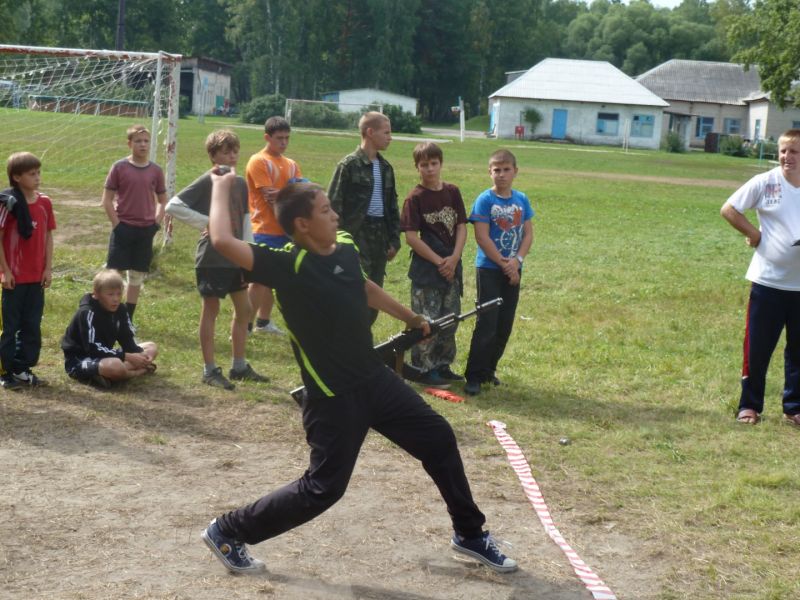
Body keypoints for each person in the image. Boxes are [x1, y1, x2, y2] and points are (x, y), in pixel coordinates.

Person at [200, 172, 518, 575]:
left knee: (438, 438)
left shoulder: (345, 246)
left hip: (374, 379)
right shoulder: (286, 265)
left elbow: (363, 286)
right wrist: (221, 187)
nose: (335, 215)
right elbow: (222, 241)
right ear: (302, 224)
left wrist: (411, 318)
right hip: (333, 398)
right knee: (323, 489)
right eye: (325, 210)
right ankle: (228, 530)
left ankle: (469, 534)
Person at [166, 129, 267, 390]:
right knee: (211, 310)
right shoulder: (208, 180)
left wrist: (250, 255)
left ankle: (239, 366)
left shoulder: (241, 183)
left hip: (236, 257)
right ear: (213, 156)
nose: (232, 156)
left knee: (245, 310)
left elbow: (246, 220)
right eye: (225, 152)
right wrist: (210, 223)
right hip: (211, 258)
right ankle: (209, 370)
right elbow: (173, 206)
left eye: (235, 151)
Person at [721, 128, 800, 428]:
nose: (787, 157)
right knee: (757, 348)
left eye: (794, 151)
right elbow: (729, 209)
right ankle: (749, 406)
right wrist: (754, 234)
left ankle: (794, 407)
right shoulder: (765, 182)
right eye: (783, 151)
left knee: (798, 352)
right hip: (768, 282)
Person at [463, 149, 534, 396]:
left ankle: (489, 370)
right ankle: (473, 375)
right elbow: (482, 237)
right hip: (490, 269)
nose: (501, 174)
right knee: (487, 323)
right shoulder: (485, 200)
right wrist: (505, 265)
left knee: (504, 323)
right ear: (489, 172)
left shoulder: (522, 199)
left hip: (514, 269)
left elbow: (528, 234)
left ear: (515, 171)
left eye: (506, 169)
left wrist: (517, 261)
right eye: (496, 170)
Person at [399, 142, 467, 389]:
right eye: (424, 164)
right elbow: (411, 237)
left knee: (450, 319)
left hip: (452, 267)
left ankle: (442, 365)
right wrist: (440, 261)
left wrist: (454, 258)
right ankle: (423, 369)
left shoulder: (452, 192)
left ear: (441, 164)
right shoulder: (414, 198)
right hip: (427, 271)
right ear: (416, 167)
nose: (429, 169)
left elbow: (461, 226)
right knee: (427, 321)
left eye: (434, 163)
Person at [328, 111, 400, 322]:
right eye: (386, 132)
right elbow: (333, 205)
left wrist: (394, 240)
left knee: (374, 294)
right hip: (355, 237)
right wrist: (337, 242)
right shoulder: (348, 165)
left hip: (380, 237)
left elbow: (392, 207)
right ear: (370, 132)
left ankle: (363, 335)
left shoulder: (386, 168)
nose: (390, 137)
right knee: (354, 290)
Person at [0, 152, 56, 389]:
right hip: (14, 277)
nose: (37, 178)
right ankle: (4, 371)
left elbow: (48, 236)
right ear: (16, 177)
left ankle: (22, 367)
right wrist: (5, 271)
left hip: (36, 277)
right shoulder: (8, 203)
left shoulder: (45, 203)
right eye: (32, 174)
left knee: (32, 325)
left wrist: (48, 269)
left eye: (38, 173)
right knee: (9, 327)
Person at [101, 124, 167, 321]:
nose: (143, 145)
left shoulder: (156, 171)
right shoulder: (119, 167)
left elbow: (163, 200)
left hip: (145, 231)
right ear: (129, 144)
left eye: (146, 141)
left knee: (137, 275)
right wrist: (117, 225)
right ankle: (107, 316)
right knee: (114, 274)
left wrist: (156, 224)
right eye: (138, 141)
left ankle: (127, 319)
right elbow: (106, 200)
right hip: (123, 229)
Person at [245, 116, 303, 335]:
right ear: (267, 137)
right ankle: (245, 326)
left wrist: (286, 195)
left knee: (273, 279)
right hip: (264, 229)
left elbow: (300, 194)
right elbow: (269, 197)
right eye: (279, 138)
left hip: (285, 231)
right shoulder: (259, 161)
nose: (284, 142)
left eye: (287, 138)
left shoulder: (292, 164)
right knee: (259, 280)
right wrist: (290, 194)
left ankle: (263, 322)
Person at [61, 269, 158, 388]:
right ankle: (138, 372)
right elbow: (93, 349)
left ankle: (108, 375)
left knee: (151, 347)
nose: (116, 299)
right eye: (110, 294)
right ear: (96, 294)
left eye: (119, 294)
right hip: (81, 360)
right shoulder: (87, 313)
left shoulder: (121, 310)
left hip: (106, 355)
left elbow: (128, 340)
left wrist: (140, 356)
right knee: (115, 366)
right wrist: (127, 357)